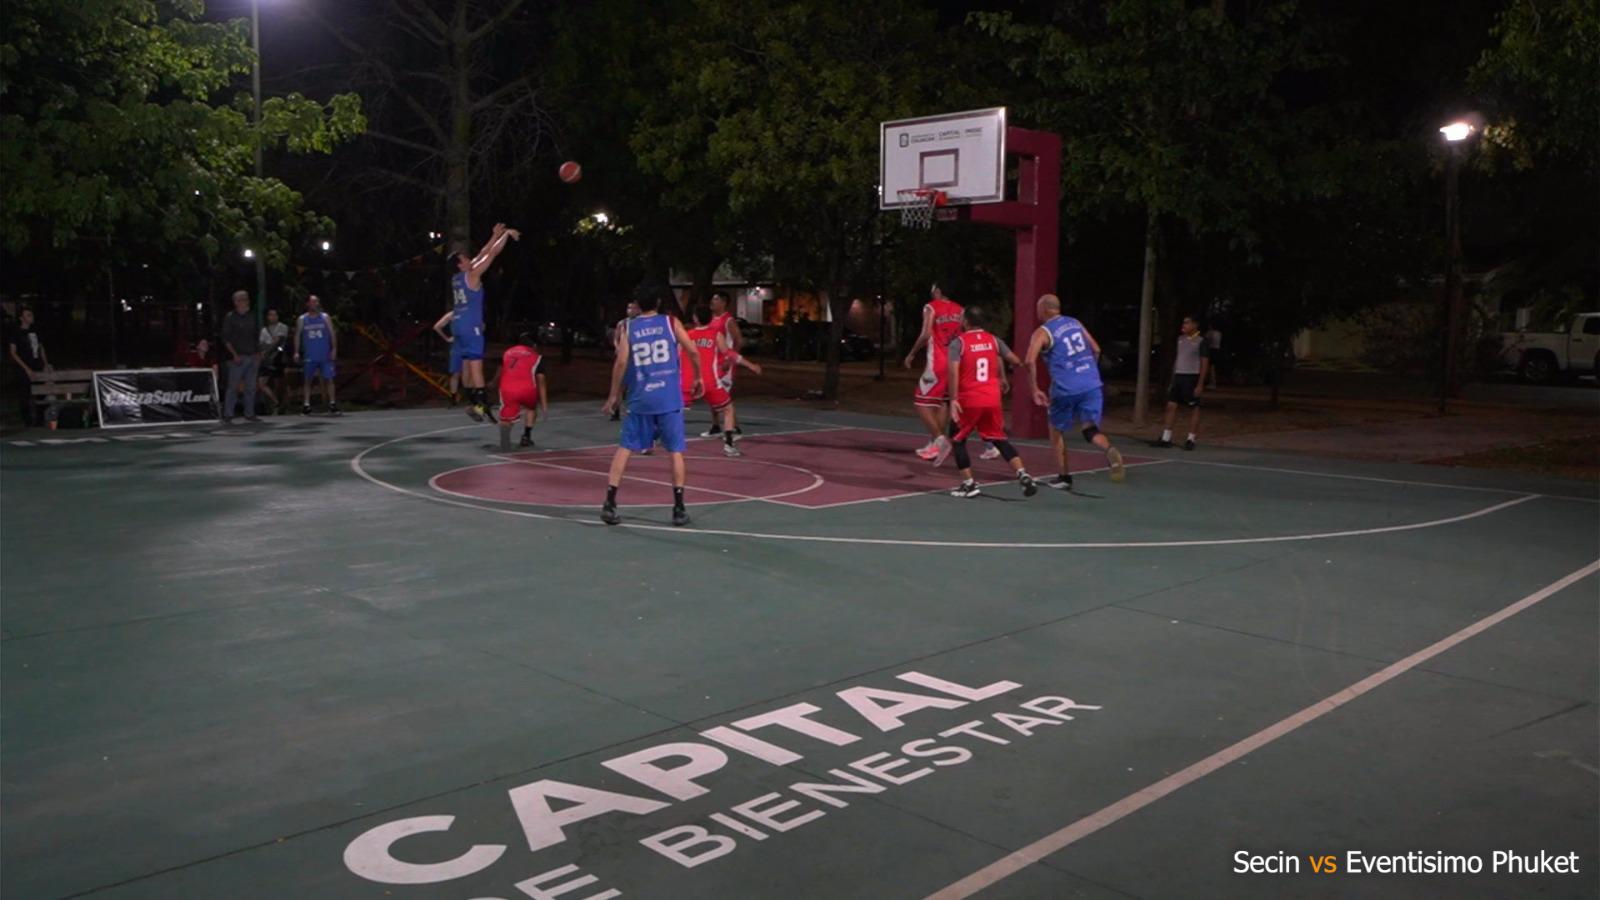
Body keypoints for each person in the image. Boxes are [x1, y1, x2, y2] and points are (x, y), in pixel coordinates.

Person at [600, 286, 703, 527]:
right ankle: (678, 508)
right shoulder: (670, 322)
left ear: (638, 304)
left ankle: (609, 502)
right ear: (658, 302)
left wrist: (614, 394)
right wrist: (698, 377)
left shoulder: (629, 327)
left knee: (625, 448)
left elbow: (622, 361)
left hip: (641, 397)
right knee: (675, 451)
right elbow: (693, 351)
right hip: (668, 398)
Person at [1024, 293, 1126, 490]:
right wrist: (1087, 372)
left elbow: (1029, 361)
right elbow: (1095, 349)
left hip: (1066, 387)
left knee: (1056, 430)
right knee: (1090, 430)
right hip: (1091, 384)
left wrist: (1035, 388)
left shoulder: (1042, 332)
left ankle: (1064, 476)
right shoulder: (1075, 323)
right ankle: (1109, 450)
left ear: (1044, 309)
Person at [934, 307, 1037, 499]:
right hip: (991, 399)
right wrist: (1006, 375)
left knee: (957, 440)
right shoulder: (994, 340)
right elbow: (1014, 360)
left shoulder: (959, 343)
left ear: (966, 322)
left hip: (969, 400)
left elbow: (953, 371)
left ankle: (969, 484)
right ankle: (1023, 474)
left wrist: (954, 398)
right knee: (998, 438)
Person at [449, 223, 521, 421]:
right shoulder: (472, 275)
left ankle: (474, 404)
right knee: (476, 366)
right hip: (471, 326)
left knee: (467, 369)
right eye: (464, 258)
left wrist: (493, 235)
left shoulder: (457, 278)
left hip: (458, 324)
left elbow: (482, 252)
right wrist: (505, 235)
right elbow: (491, 255)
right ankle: (481, 404)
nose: (468, 259)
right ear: (460, 265)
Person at [685, 305, 762, 457]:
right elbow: (730, 354)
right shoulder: (715, 335)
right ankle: (728, 445)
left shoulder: (687, 335)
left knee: (670, 412)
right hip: (710, 381)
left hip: (688, 382)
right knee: (728, 409)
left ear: (695, 318)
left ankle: (651, 440)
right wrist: (751, 365)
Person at [902, 283, 965, 458]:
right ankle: (934, 444)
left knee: (921, 402)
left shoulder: (931, 307)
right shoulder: (960, 310)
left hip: (937, 361)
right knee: (942, 402)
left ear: (938, 291)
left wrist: (912, 353)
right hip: (955, 361)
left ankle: (939, 439)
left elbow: (926, 333)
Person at [1155, 315, 1211, 450]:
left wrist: (1200, 383)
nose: (1184, 325)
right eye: (1183, 322)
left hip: (1191, 377)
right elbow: (1178, 360)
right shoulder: (1180, 339)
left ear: (1195, 325)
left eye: (1187, 323)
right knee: (1171, 406)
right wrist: (1172, 379)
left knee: (1194, 408)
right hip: (1179, 376)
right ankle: (1166, 437)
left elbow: (1204, 362)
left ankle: (1191, 439)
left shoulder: (1201, 341)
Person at [700, 291, 746, 439]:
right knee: (712, 394)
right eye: (712, 299)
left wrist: (729, 360)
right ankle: (716, 426)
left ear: (724, 302)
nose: (712, 302)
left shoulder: (728, 320)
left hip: (725, 365)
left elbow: (739, 340)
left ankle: (735, 428)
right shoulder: (711, 319)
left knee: (723, 397)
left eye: (716, 299)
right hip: (713, 364)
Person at [495, 331, 548, 452]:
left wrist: (493, 382)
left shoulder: (507, 352)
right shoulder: (536, 357)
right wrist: (544, 406)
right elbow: (541, 382)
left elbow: (500, 369)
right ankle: (526, 436)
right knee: (531, 407)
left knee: (506, 417)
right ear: (534, 345)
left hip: (507, 388)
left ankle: (505, 441)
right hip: (527, 388)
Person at [294, 294, 340, 416]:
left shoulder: (325, 317)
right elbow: (297, 336)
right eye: (313, 302)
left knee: (329, 379)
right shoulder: (302, 319)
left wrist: (334, 349)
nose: (315, 304)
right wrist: (296, 351)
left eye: (317, 302)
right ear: (308, 304)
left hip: (325, 354)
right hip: (310, 354)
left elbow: (332, 333)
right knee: (308, 380)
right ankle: (306, 405)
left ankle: (333, 403)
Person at [220, 290, 260, 423]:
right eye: (242, 299)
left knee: (251, 387)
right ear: (236, 302)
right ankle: (228, 414)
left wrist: (258, 353)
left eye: (246, 299)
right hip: (237, 357)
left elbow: (256, 335)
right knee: (233, 387)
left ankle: (249, 413)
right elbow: (226, 339)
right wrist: (234, 355)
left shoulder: (252, 316)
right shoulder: (230, 317)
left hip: (252, 355)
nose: (245, 301)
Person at [6, 306, 49, 426]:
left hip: (37, 366)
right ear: (21, 318)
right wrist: (26, 369)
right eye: (28, 315)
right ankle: (27, 420)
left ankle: (40, 419)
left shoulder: (36, 331)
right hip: (24, 367)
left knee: (42, 393)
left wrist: (45, 364)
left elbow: (41, 348)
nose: (31, 317)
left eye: (31, 314)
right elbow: (13, 352)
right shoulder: (15, 332)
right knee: (25, 394)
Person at [608, 299, 641, 421]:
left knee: (635, 385)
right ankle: (615, 410)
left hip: (636, 359)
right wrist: (618, 348)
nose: (630, 310)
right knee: (620, 384)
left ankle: (635, 409)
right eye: (628, 308)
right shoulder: (622, 323)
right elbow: (616, 338)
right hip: (624, 357)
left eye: (632, 308)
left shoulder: (640, 323)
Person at [257, 308, 290, 414]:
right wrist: (265, 351)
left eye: (274, 315)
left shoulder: (283, 327)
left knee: (279, 384)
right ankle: (276, 402)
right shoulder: (264, 330)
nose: (272, 317)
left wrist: (268, 348)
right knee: (262, 383)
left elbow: (279, 342)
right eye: (270, 315)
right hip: (267, 360)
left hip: (278, 358)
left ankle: (282, 406)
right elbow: (261, 344)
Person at [432, 304, 464, 406]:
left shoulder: (471, 314)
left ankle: (475, 398)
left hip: (469, 344)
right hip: (457, 346)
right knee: (455, 373)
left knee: (471, 372)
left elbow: (482, 326)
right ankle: (453, 398)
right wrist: (447, 338)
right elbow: (437, 326)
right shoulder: (452, 314)